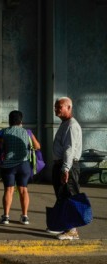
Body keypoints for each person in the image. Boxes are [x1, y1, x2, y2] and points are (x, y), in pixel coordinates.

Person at [0, 110, 41, 225]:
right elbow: (37, 146)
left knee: (9, 190)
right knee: (23, 190)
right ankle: (24, 216)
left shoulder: (4, 132)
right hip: (24, 165)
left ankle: (6, 216)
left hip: (8, 165)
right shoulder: (27, 132)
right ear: (21, 121)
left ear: (9, 120)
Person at [51, 97, 83, 240]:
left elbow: (69, 149)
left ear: (69, 108)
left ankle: (72, 230)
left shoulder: (71, 125)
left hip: (68, 166)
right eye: (55, 107)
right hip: (62, 165)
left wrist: (65, 169)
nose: (56, 109)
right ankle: (65, 226)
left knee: (69, 196)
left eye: (60, 107)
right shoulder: (65, 124)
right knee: (62, 196)